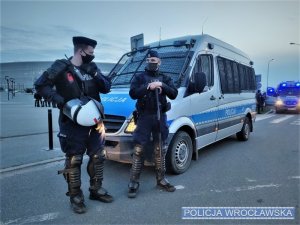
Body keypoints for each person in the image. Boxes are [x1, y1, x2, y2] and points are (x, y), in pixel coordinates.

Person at [35, 36, 113, 214]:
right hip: (71, 122)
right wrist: (60, 101)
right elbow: (40, 85)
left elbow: (107, 87)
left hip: (95, 122)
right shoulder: (60, 66)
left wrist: (94, 73)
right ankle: (76, 196)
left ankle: (96, 190)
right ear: (81, 51)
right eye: (90, 53)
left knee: (98, 157)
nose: (92, 56)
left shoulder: (92, 67)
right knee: (74, 159)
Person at [127, 50, 178, 198]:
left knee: (160, 148)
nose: (151, 62)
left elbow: (173, 94)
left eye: (154, 60)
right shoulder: (140, 77)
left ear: (159, 62)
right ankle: (134, 182)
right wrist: (148, 87)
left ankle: (161, 179)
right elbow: (133, 93)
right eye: (149, 59)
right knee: (138, 149)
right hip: (144, 117)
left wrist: (161, 85)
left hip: (159, 116)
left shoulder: (165, 77)